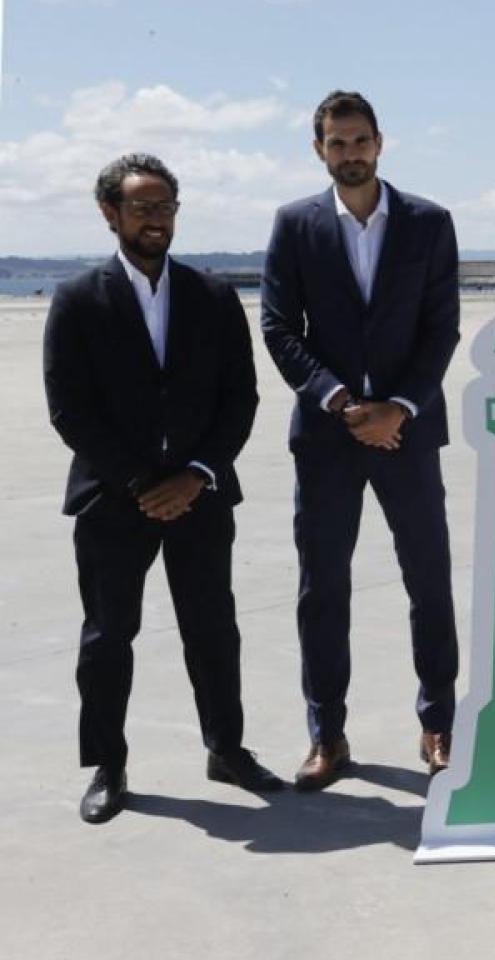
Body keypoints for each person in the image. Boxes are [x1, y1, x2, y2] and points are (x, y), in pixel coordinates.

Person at [44, 153, 284, 823]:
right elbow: (69, 409)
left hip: (201, 498)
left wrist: (196, 475)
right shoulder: (77, 299)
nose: (156, 219)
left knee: (213, 629)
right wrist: (143, 482)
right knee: (107, 637)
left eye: (166, 206)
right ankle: (108, 764)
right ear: (110, 213)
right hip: (112, 501)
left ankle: (226, 748)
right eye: (142, 207)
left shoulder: (213, 297)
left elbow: (240, 399)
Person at [260, 91, 461, 789]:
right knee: (323, 589)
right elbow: (278, 327)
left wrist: (398, 408)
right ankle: (328, 735)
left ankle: (439, 723)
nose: (350, 153)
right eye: (337, 142)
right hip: (328, 435)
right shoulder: (295, 224)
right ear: (319, 150)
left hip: (408, 432)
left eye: (360, 140)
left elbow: (441, 327)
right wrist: (342, 402)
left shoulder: (429, 222)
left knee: (429, 580)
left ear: (380, 142)